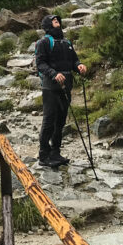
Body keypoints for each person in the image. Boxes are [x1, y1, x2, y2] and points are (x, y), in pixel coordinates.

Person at [35, 13, 87, 168]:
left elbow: (73, 60)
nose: (56, 20)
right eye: (53, 20)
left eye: (57, 19)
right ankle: (44, 155)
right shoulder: (44, 42)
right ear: (47, 25)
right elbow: (40, 64)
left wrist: (79, 66)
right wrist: (54, 74)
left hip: (66, 86)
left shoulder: (66, 42)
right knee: (49, 120)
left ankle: (55, 152)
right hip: (50, 87)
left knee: (61, 121)